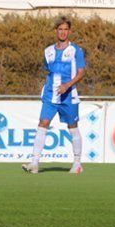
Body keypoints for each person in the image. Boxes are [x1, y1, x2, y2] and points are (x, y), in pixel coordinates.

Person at [22, 16, 86, 174]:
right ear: (55, 31)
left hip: (69, 96)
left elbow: (80, 73)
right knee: (42, 123)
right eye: (60, 29)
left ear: (69, 31)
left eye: (66, 29)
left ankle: (77, 163)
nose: (63, 32)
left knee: (73, 127)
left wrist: (67, 85)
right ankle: (34, 163)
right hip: (51, 95)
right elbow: (48, 71)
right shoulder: (48, 51)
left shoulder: (76, 50)